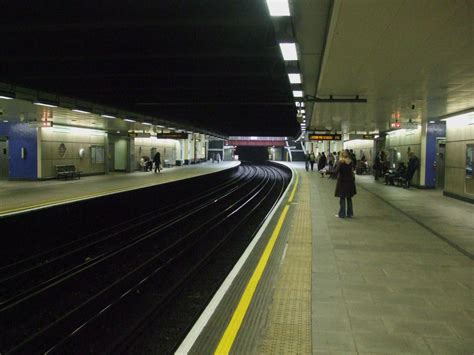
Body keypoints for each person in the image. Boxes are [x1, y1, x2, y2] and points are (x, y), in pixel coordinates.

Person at [334, 150, 356, 218]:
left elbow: (336, 171)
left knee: (342, 198)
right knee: (349, 198)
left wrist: (327, 171)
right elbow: (352, 171)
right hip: (350, 182)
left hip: (342, 182)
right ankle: (350, 214)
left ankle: (342, 214)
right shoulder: (351, 162)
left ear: (341, 155)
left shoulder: (341, 162)